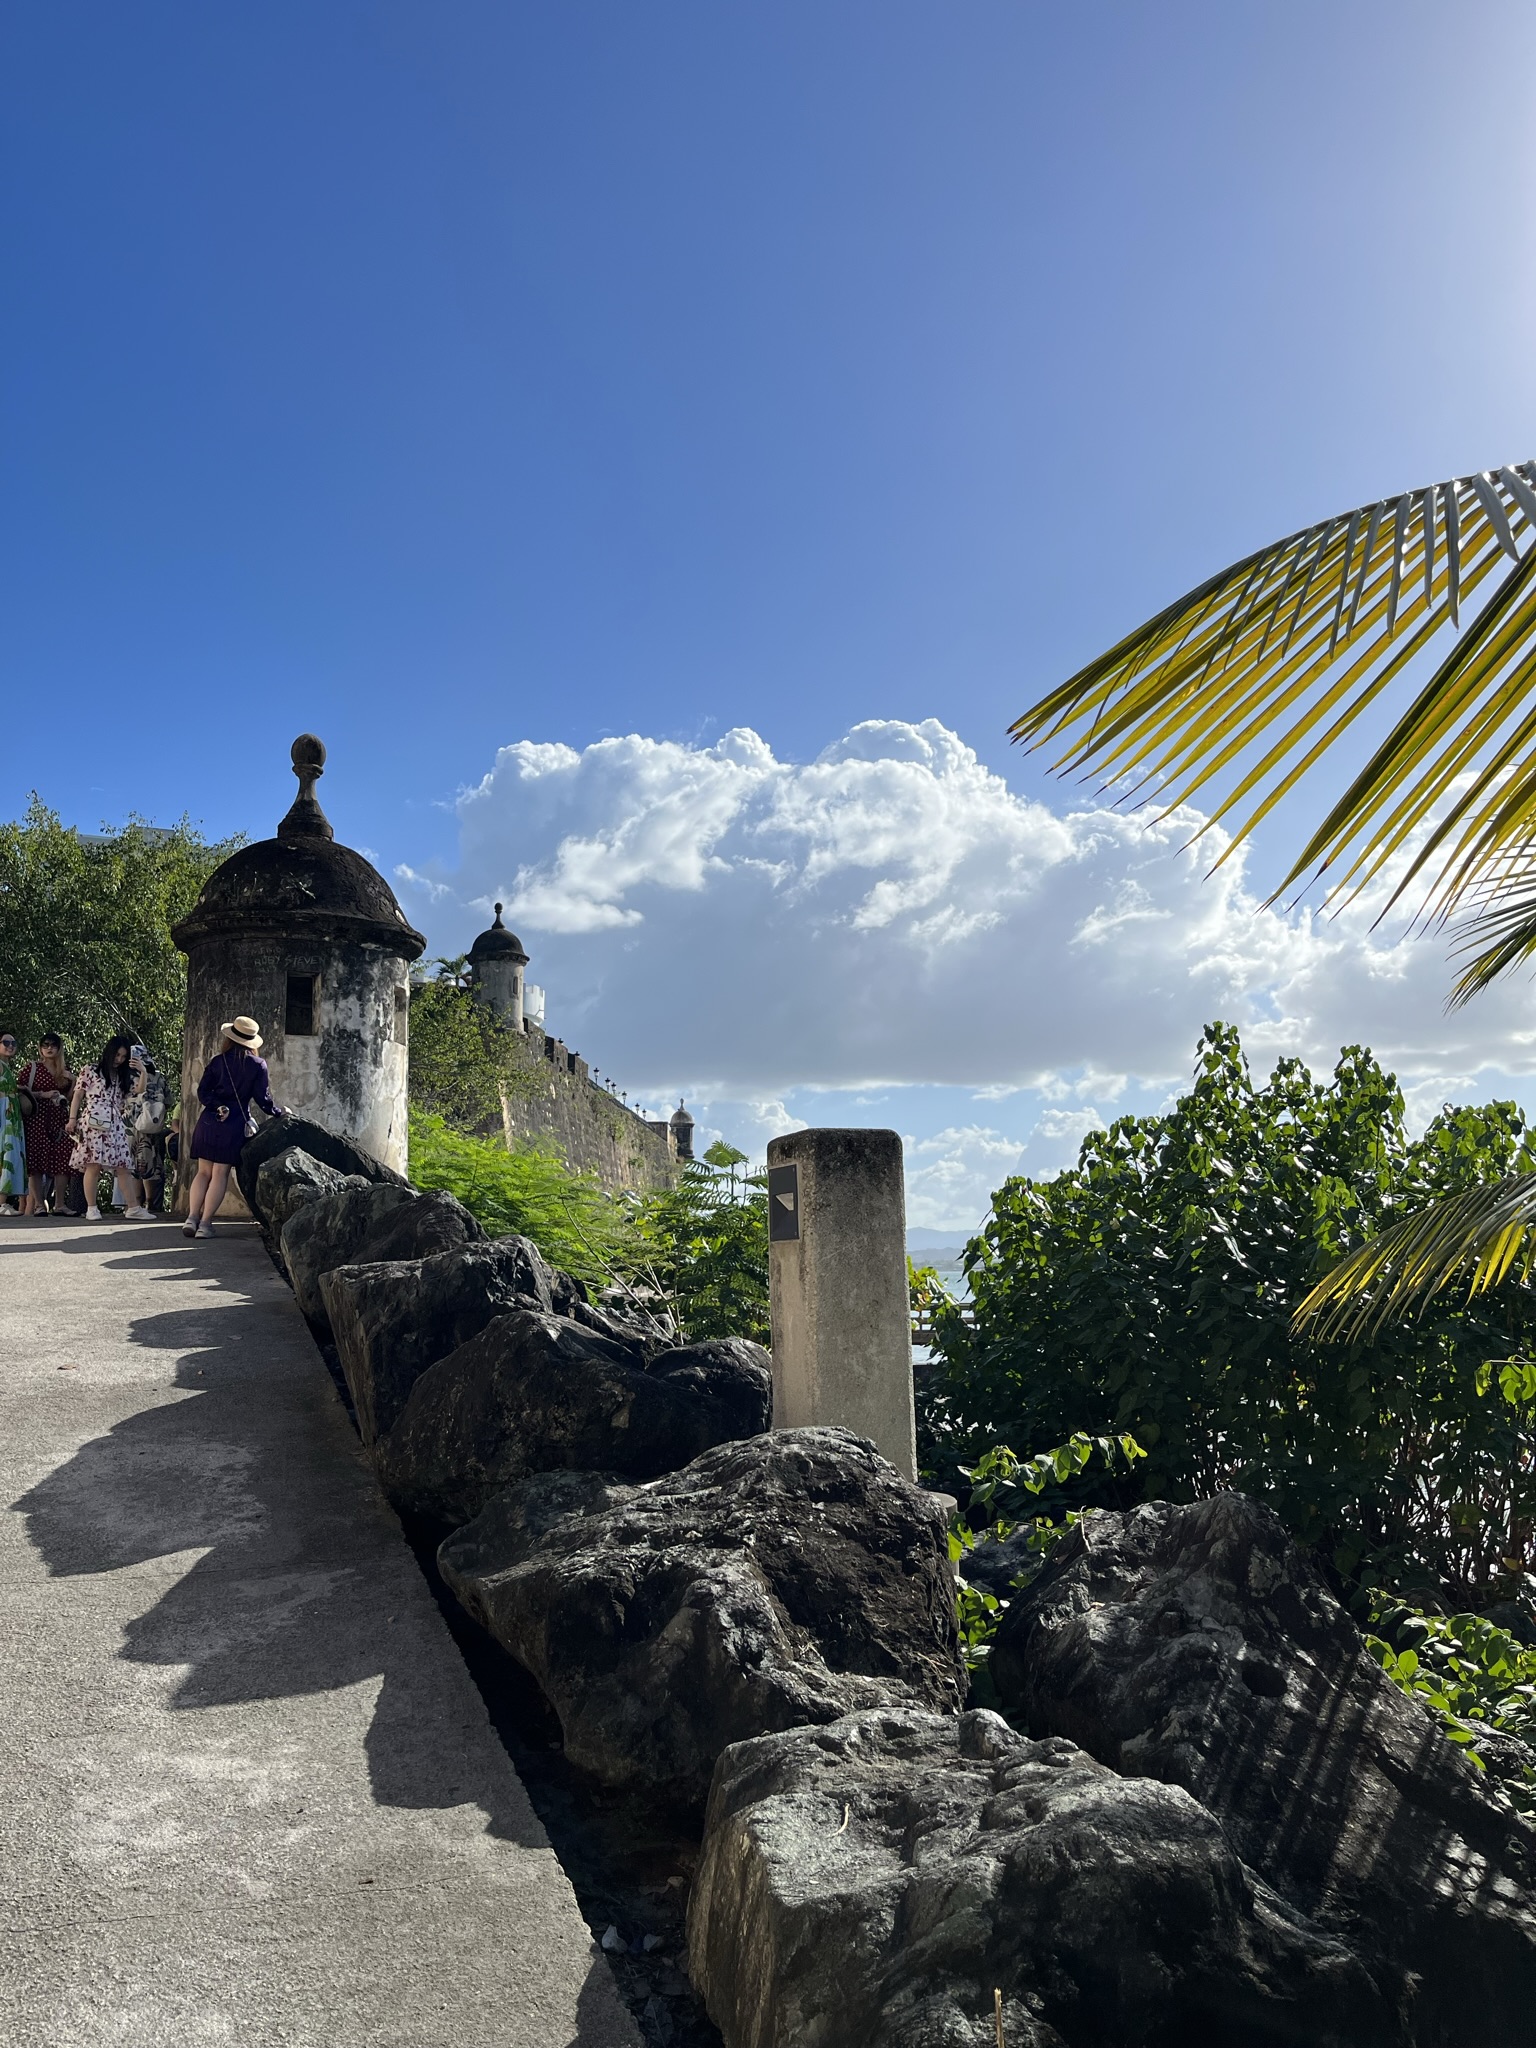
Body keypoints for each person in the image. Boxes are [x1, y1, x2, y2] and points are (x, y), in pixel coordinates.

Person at [185, 1015, 281, 1238]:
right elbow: (263, 1099)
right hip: (235, 1122)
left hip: (209, 1120)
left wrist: (217, 1105)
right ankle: (205, 1224)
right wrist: (278, 1112)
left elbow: (202, 1092)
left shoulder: (218, 1061)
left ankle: (191, 1218)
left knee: (202, 1172)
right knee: (220, 1174)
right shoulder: (258, 1065)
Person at [67, 1035, 152, 1222]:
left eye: (123, 1056)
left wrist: (142, 1071)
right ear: (109, 1052)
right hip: (93, 1121)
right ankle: (91, 1207)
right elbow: (78, 1095)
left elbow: (138, 1091)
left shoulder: (122, 1076)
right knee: (93, 1165)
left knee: (123, 1166)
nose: (119, 1059)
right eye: (117, 1055)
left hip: (115, 1124)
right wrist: (72, 1119)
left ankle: (133, 1207)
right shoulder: (90, 1070)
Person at [20, 1033, 72, 1216]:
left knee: (63, 1158)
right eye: (45, 1045)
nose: (49, 1048)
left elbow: (72, 1098)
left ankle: (59, 1204)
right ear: (40, 1048)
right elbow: (19, 1090)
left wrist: (71, 1081)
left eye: (53, 1045)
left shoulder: (64, 1070)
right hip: (37, 1118)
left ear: (59, 1048)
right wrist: (44, 1094)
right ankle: (39, 1205)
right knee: (35, 1161)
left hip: (59, 1119)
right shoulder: (32, 1068)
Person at [124, 1045, 169, 1213]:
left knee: (140, 1166)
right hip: (144, 1125)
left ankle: (141, 1205)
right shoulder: (158, 1078)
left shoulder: (129, 1077)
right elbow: (169, 1101)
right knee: (141, 1166)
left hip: (136, 1125)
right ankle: (140, 1205)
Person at [0, 1033, 26, 1216]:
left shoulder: (6, 1066)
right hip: (4, 1113)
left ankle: (3, 1201)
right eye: (6, 1042)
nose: (10, 1046)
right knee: (6, 1155)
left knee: (10, 1155)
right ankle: (1, 1203)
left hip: (11, 1114)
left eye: (13, 1043)